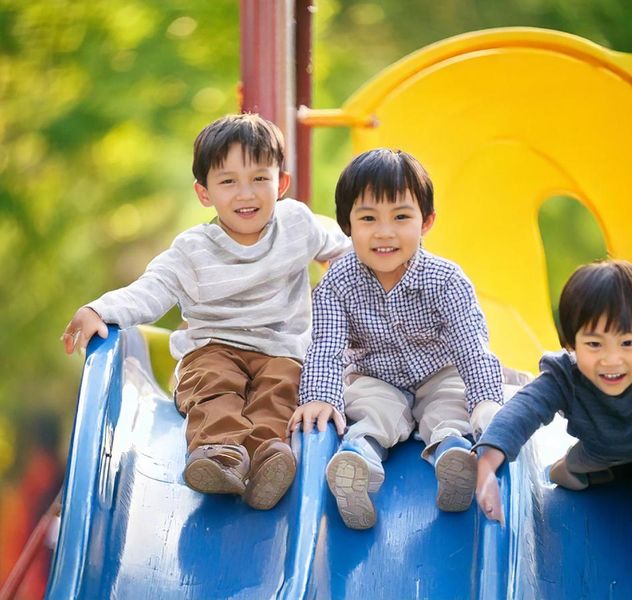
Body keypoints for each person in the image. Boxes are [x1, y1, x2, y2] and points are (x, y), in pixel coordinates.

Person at [61, 113, 350, 510]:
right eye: (228, 181)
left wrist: (367, 278)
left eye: (259, 178)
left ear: (281, 183)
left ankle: (267, 459)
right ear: (204, 192)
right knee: (214, 386)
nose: (245, 194)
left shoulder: (297, 224)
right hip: (213, 348)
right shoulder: (192, 250)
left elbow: (346, 249)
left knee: (283, 388)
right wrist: (101, 309)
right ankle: (219, 454)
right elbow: (152, 287)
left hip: (282, 350)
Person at [288, 149, 504, 529]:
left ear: (426, 221)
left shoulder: (446, 280)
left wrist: (486, 399)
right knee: (369, 408)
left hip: (440, 372)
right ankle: (359, 462)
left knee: (450, 405)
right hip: (375, 376)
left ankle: (453, 455)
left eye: (401, 217)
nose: (384, 232)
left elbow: (472, 347)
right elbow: (326, 346)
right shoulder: (337, 284)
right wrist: (320, 396)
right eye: (368, 218)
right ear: (347, 225)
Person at [474, 259, 632, 524]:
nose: (611, 360)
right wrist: (490, 457)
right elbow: (524, 408)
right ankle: (577, 468)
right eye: (594, 344)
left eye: (628, 342)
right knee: (569, 472)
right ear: (571, 342)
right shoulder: (565, 377)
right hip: (596, 451)